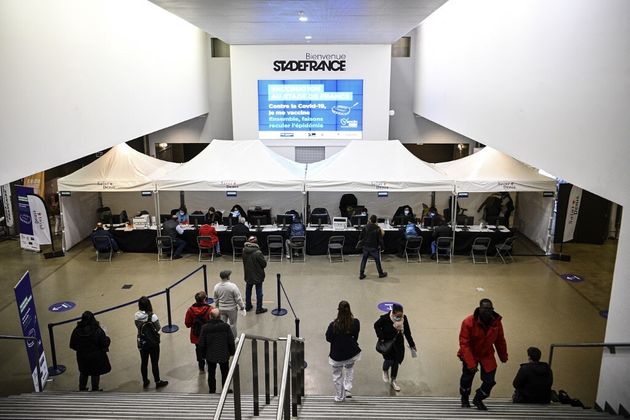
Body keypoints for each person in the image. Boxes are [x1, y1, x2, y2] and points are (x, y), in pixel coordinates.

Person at [458, 298, 508, 410]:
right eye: (485, 309)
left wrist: (503, 356)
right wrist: (471, 364)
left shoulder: (496, 322)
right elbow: (464, 343)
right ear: (479, 309)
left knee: (490, 381)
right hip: (470, 353)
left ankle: (478, 398)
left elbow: (500, 340)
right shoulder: (468, 322)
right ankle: (464, 399)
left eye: (490, 309)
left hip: (487, 353)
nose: (488, 311)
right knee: (467, 379)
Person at [373, 303, 417, 392]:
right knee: (389, 360)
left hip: (398, 344)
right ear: (393, 313)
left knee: (396, 362)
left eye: (401, 315)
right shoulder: (385, 318)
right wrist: (380, 336)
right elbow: (376, 325)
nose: (400, 317)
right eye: (398, 316)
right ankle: (385, 370)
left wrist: (412, 344)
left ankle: (393, 380)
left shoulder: (404, 319)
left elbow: (407, 332)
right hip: (388, 343)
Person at [325, 301, 361, 402]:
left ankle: (339, 397)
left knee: (337, 375)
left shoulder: (333, 325)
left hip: (337, 355)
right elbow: (356, 336)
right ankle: (348, 389)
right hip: (351, 353)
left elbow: (328, 338)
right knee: (349, 369)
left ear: (338, 311)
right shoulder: (355, 323)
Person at [69, 311, 111, 392]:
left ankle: (82, 389)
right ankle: (95, 390)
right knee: (95, 374)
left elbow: (72, 345)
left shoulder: (76, 331)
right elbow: (104, 343)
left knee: (83, 372)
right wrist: (108, 339)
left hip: (82, 357)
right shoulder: (97, 331)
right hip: (96, 358)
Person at [198, 308, 236, 394]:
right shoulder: (225, 327)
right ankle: (225, 389)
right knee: (225, 373)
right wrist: (232, 352)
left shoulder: (205, 328)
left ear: (210, 317)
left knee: (211, 374)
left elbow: (201, 343)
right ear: (220, 317)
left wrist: (203, 355)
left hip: (210, 355)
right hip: (224, 354)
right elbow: (231, 341)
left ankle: (212, 390)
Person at [134, 296, 169, 388]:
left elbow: (138, 326)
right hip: (153, 342)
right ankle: (157, 381)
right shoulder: (153, 316)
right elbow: (158, 328)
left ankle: (145, 381)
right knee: (154, 362)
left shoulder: (136, 315)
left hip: (142, 341)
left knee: (144, 362)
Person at [184, 291, 213, 372]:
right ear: (204, 299)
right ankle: (209, 362)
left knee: (198, 349)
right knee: (208, 348)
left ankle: (201, 365)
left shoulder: (190, 310)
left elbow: (187, 324)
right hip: (207, 335)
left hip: (196, 335)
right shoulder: (210, 309)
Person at [213, 270, 246, 338]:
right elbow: (238, 299)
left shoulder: (216, 287)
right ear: (228, 277)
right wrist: (242, 307)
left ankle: (223, 338)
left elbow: (216, 299)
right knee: (233, 325)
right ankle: (234, 338)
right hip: (232, 309)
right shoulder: (233, 286)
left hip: (221, 309)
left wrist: (217, 307)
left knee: (223, 324)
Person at [242, 236, 267, 314]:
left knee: (248, 290)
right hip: (258, 274)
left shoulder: (244, 250)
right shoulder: (258, 252)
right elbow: (264, 264)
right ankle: (259, 308)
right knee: (259, 291)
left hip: (248, 274)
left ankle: (248, 306)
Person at [358, 215, 387, 279]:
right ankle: (380, 273)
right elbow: (380, 239)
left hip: (365, 247)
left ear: (370, 220)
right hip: (374, 247)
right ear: (376, 221)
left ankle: (361, 274)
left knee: (364, 260)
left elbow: (360, 237)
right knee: (377, 260)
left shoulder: (365, 227)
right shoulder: (377, 228)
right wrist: (382, 247)